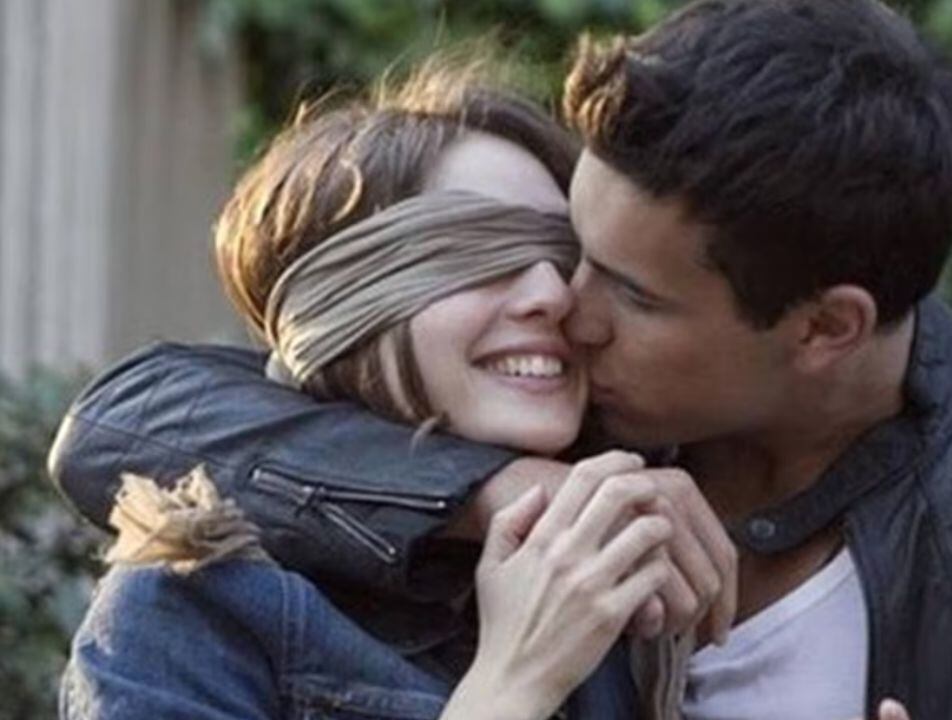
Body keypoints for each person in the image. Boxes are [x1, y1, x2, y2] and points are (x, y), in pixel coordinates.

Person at [51, 0, 952, 718]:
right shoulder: (549, 443)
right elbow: (127, 422)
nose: (564, 309)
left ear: (824, 327)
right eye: (562, 247)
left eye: (625, 291)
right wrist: (491, 497)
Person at [58, 57, 685, 720]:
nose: (553, 296)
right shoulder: (195, 605)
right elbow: (115, 419)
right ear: (349, 305)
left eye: (564, 255)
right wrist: (517, 681)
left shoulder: (643, 542)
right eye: (476, 254)